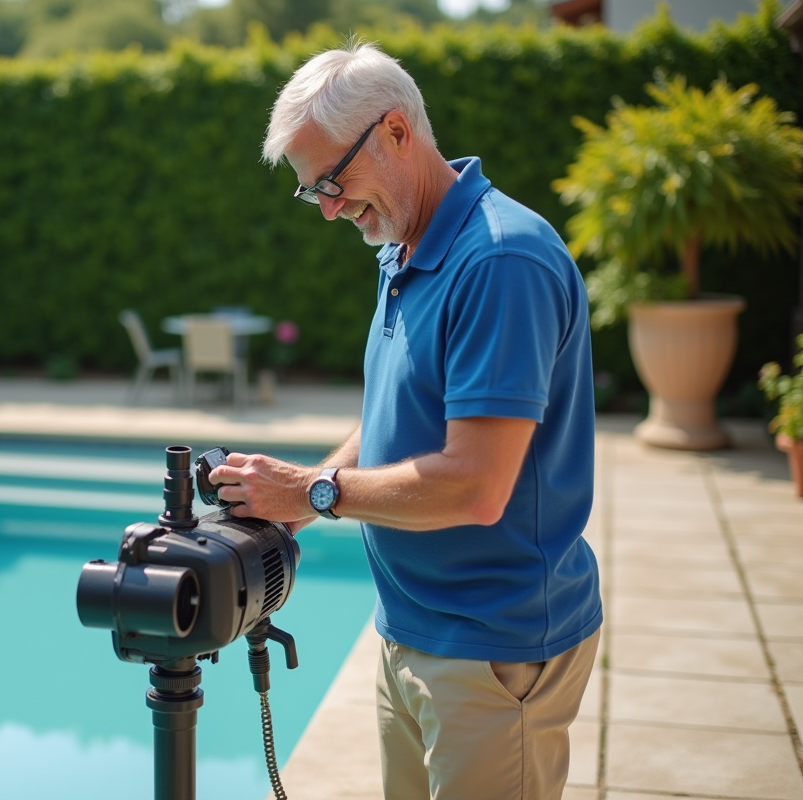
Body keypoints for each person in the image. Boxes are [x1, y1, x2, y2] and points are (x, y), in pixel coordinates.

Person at [208, 42, 602, 800]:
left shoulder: (499, 261)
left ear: (396, 131)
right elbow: (394, 420)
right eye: (309, 190)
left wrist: (317, 496)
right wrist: (289, 499)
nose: (326, 206)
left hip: (492, 645)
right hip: (410, 628)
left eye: (332, 179)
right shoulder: (404, 246)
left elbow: (477, 488)